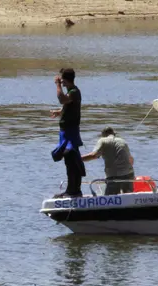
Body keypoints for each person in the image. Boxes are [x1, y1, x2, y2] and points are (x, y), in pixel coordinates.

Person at [50, 68, 86, 198]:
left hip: (71, 131)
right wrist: (60, 112)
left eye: (62, 80)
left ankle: (73, 191)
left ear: (65, 79)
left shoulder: (74, 92)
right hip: (65, 132)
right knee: (69, 159)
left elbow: (62, 99)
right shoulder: (71, 92)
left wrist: (58, 85)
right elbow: (67, 105)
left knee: (70, 157)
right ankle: (72, 190)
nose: (61, 82)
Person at [82, 127, 136, 195]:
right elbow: (131, 160)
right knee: (128, 196)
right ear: (113, 134)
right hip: (129, 174)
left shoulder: (103, 140)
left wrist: (78, 159)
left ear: (103, 134)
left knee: (110, 197)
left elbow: (93, 155)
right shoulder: (122, 141)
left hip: (114, 177)